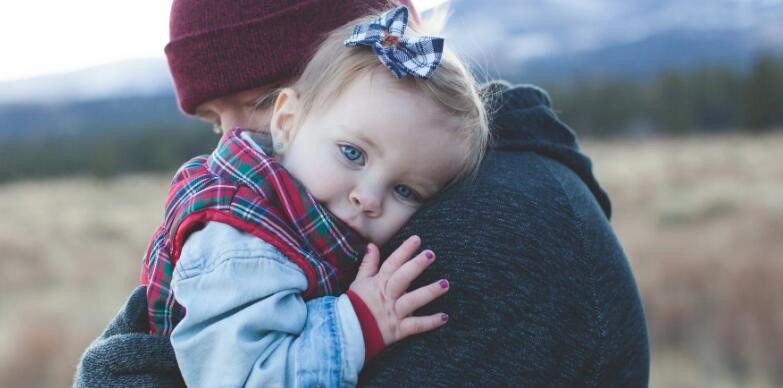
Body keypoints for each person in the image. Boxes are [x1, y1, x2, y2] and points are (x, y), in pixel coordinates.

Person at [75, 1, 650, 387]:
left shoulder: (489, 232)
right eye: (211, 122)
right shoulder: (287, 218)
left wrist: (120, 365)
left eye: (259, 99)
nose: (232, 147)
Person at [139, 6, 488, 386]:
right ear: (288, 119)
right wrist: (358, 324)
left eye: (260, 101)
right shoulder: (238, 237)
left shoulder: (462, 185)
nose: (231, 137)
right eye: (214, 121)